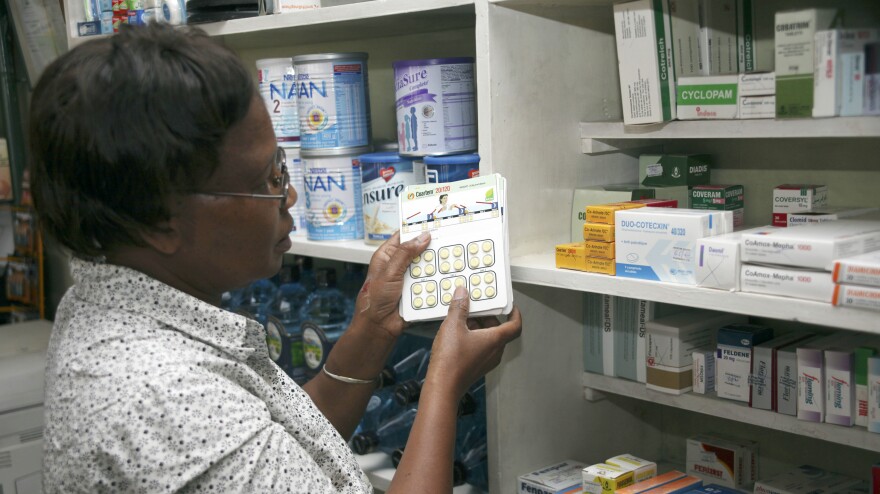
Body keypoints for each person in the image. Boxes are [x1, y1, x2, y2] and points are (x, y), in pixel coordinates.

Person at [30, 24, 522, 493]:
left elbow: (282, 452)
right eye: (267, 179)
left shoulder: (110, 305)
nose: (288, 196)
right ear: (161, 219)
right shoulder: (165, 398)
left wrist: (373, 329)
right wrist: (445, 381)